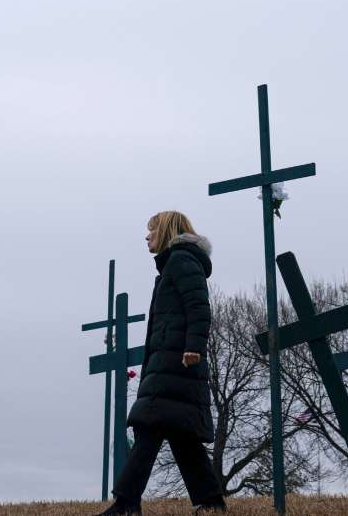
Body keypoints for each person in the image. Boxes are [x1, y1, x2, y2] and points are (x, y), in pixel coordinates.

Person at [97, 211, 227, 515]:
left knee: (149, 426)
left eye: (151, 230)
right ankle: (210, 501)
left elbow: (198, 307)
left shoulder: (181, 262)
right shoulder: (175, 264)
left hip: (177, 362)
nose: (147, 236)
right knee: (182, 436)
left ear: (166, 231)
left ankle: (126, 504)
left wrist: (194, 346)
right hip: (170, 361)